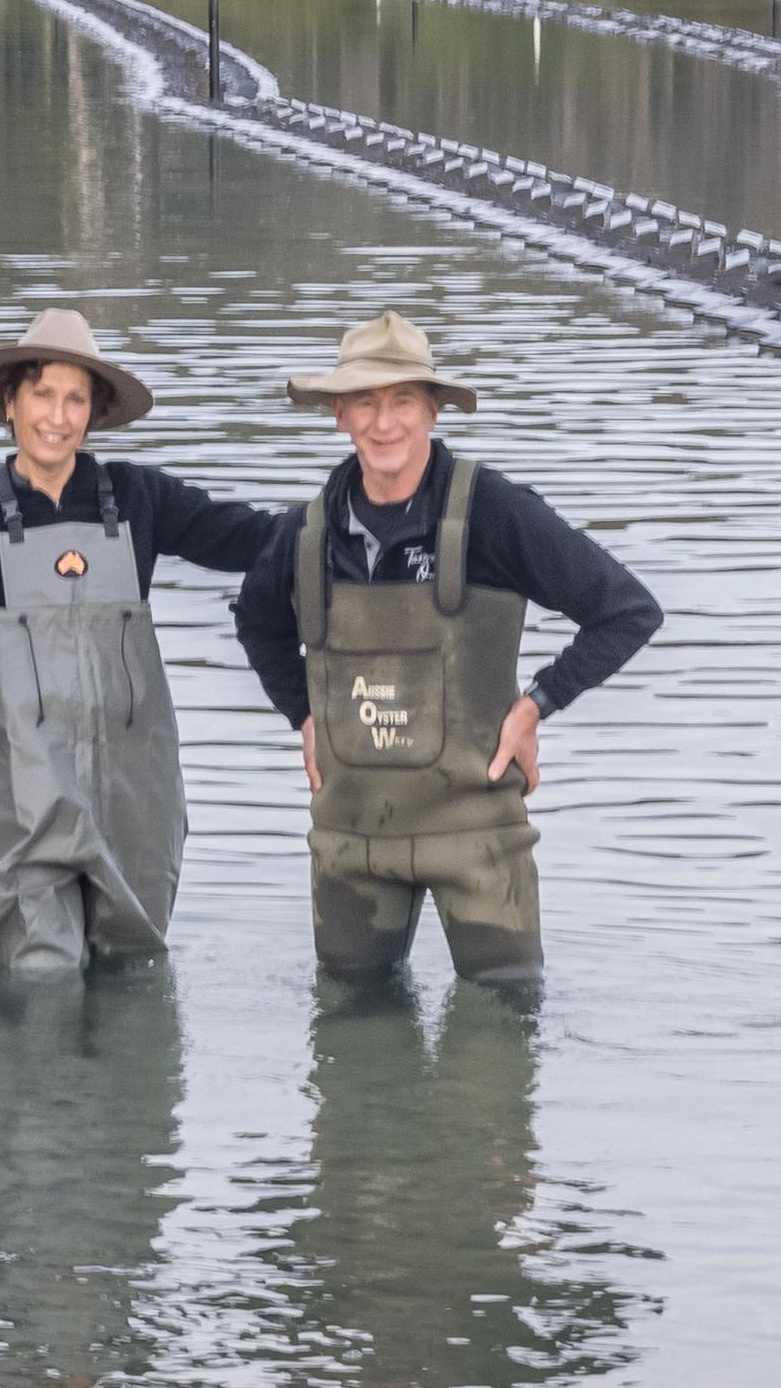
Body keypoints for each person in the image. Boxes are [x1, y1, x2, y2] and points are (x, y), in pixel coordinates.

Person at [230, 311, 659, 992]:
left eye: (403, 400)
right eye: (366, 402)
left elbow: (627, 610)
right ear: (339, 414)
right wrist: (303, 717)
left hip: (478, 836)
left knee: (499, 1045)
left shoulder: (493, 512)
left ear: (433, 408)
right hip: (350, 842)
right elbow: (255, 620)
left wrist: (536, 704)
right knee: (349, 1061)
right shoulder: (308, 532)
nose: (384, 422)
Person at [0, 306, 285, 974]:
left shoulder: (139, 497)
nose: (57, 417)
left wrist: (358, 512)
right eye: (42, 395)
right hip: (18, 792)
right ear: (10, 401)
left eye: (75, 399)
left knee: (132, 973)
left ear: (94, 412)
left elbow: (248, 536)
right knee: (43, 966)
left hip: (131, 789)